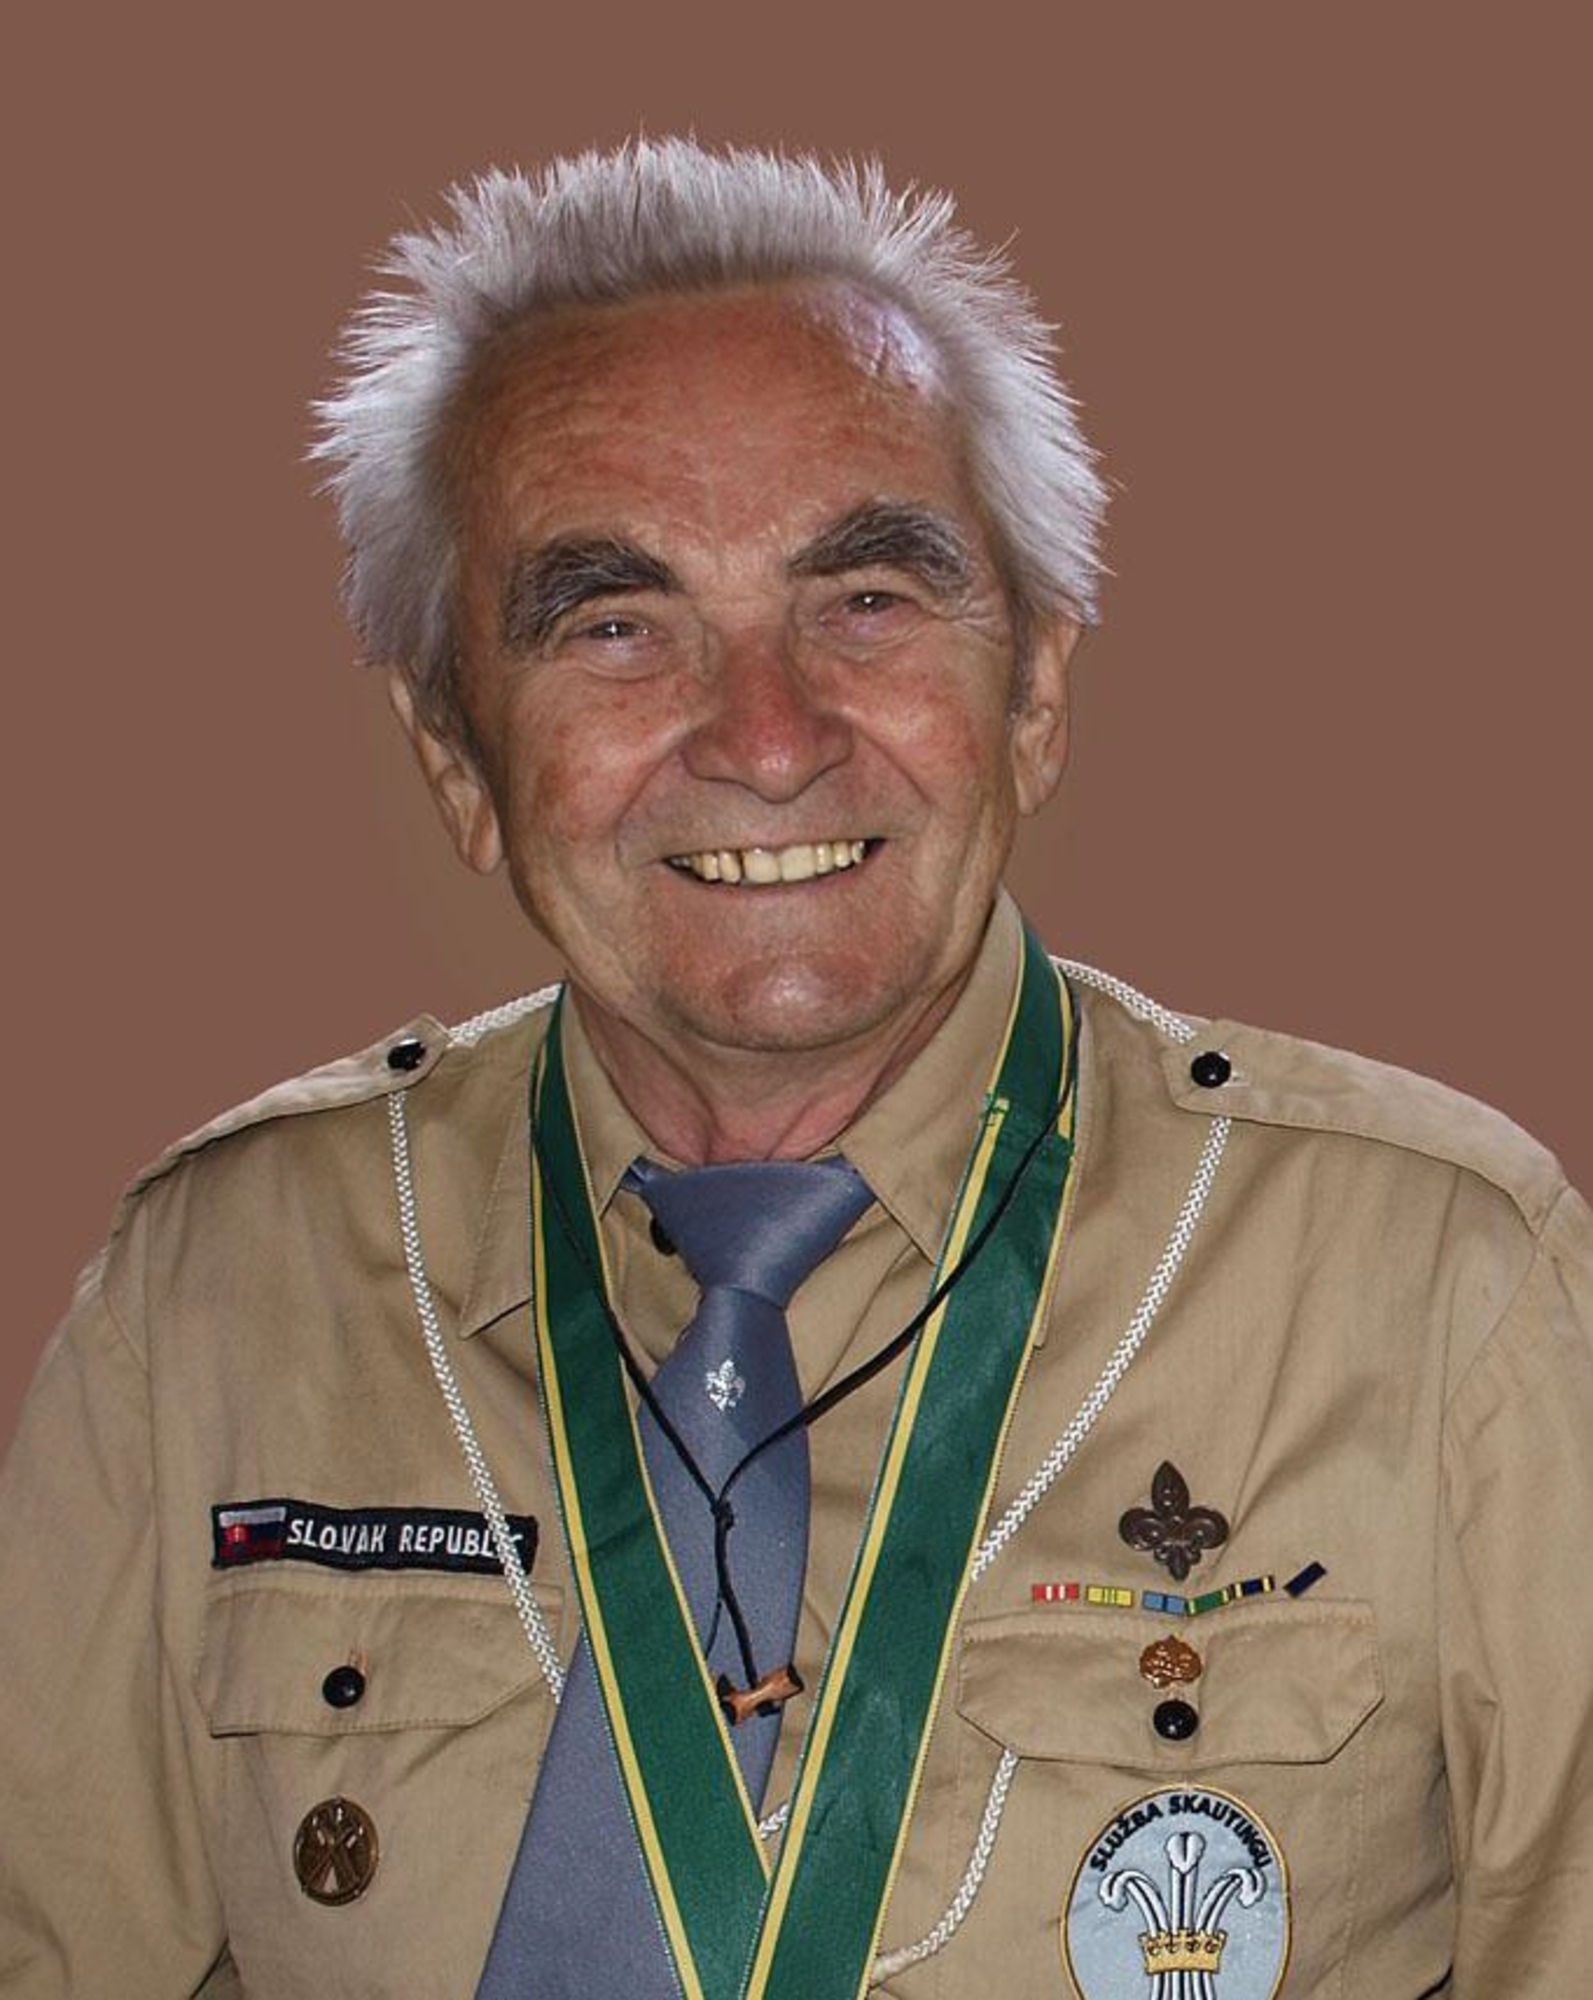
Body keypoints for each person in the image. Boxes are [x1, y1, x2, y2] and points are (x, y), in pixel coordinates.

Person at [2, 138, 1590, 2000]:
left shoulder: (1443, 1283)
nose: (764, 740)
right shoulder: (211, 1291)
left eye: (867, 600)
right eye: (616, 624)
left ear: (1035, 692)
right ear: (455, 760)